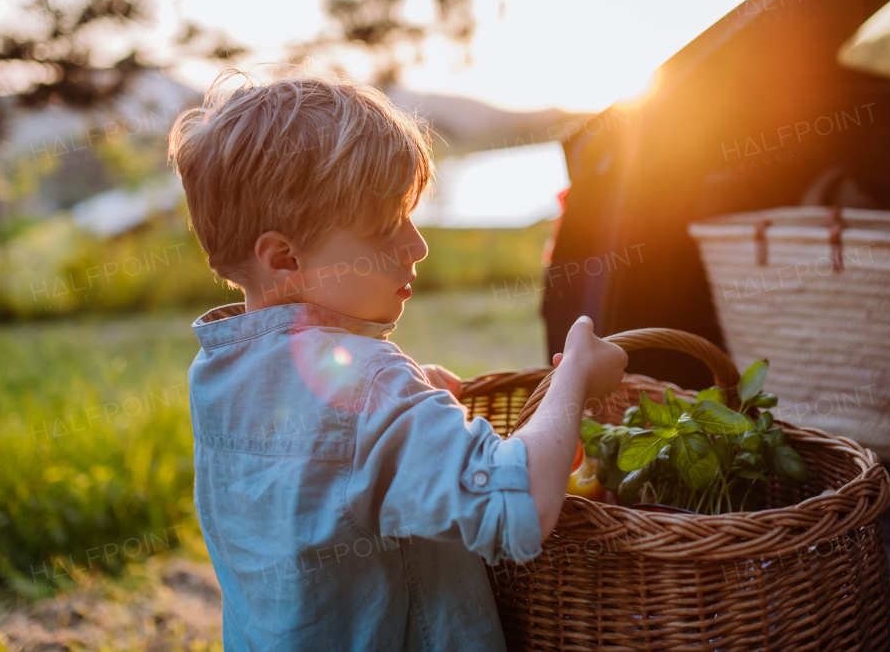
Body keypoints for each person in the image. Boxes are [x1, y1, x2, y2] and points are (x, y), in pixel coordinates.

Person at [167, 67, 628, 651]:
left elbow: (318, 470)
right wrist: (574, 378)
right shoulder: (372, 386)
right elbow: (521, 506)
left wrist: (409, 414)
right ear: (284, 257)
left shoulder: (218, 372)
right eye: (388, 227)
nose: (418, 245)